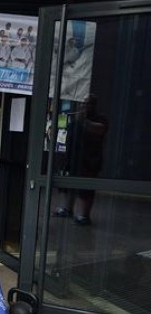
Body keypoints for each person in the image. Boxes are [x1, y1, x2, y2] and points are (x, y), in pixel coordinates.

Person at [53, 94, 108, 225]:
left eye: (87, 104)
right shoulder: (76, 119)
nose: (84, 106)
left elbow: (99, 129)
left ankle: (84, 215)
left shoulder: (100, 118)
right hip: (73, 157)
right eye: (82, 104)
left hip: (90, 160)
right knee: (67, 185)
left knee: (86, 189)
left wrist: (84, 120)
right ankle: (67, 208)